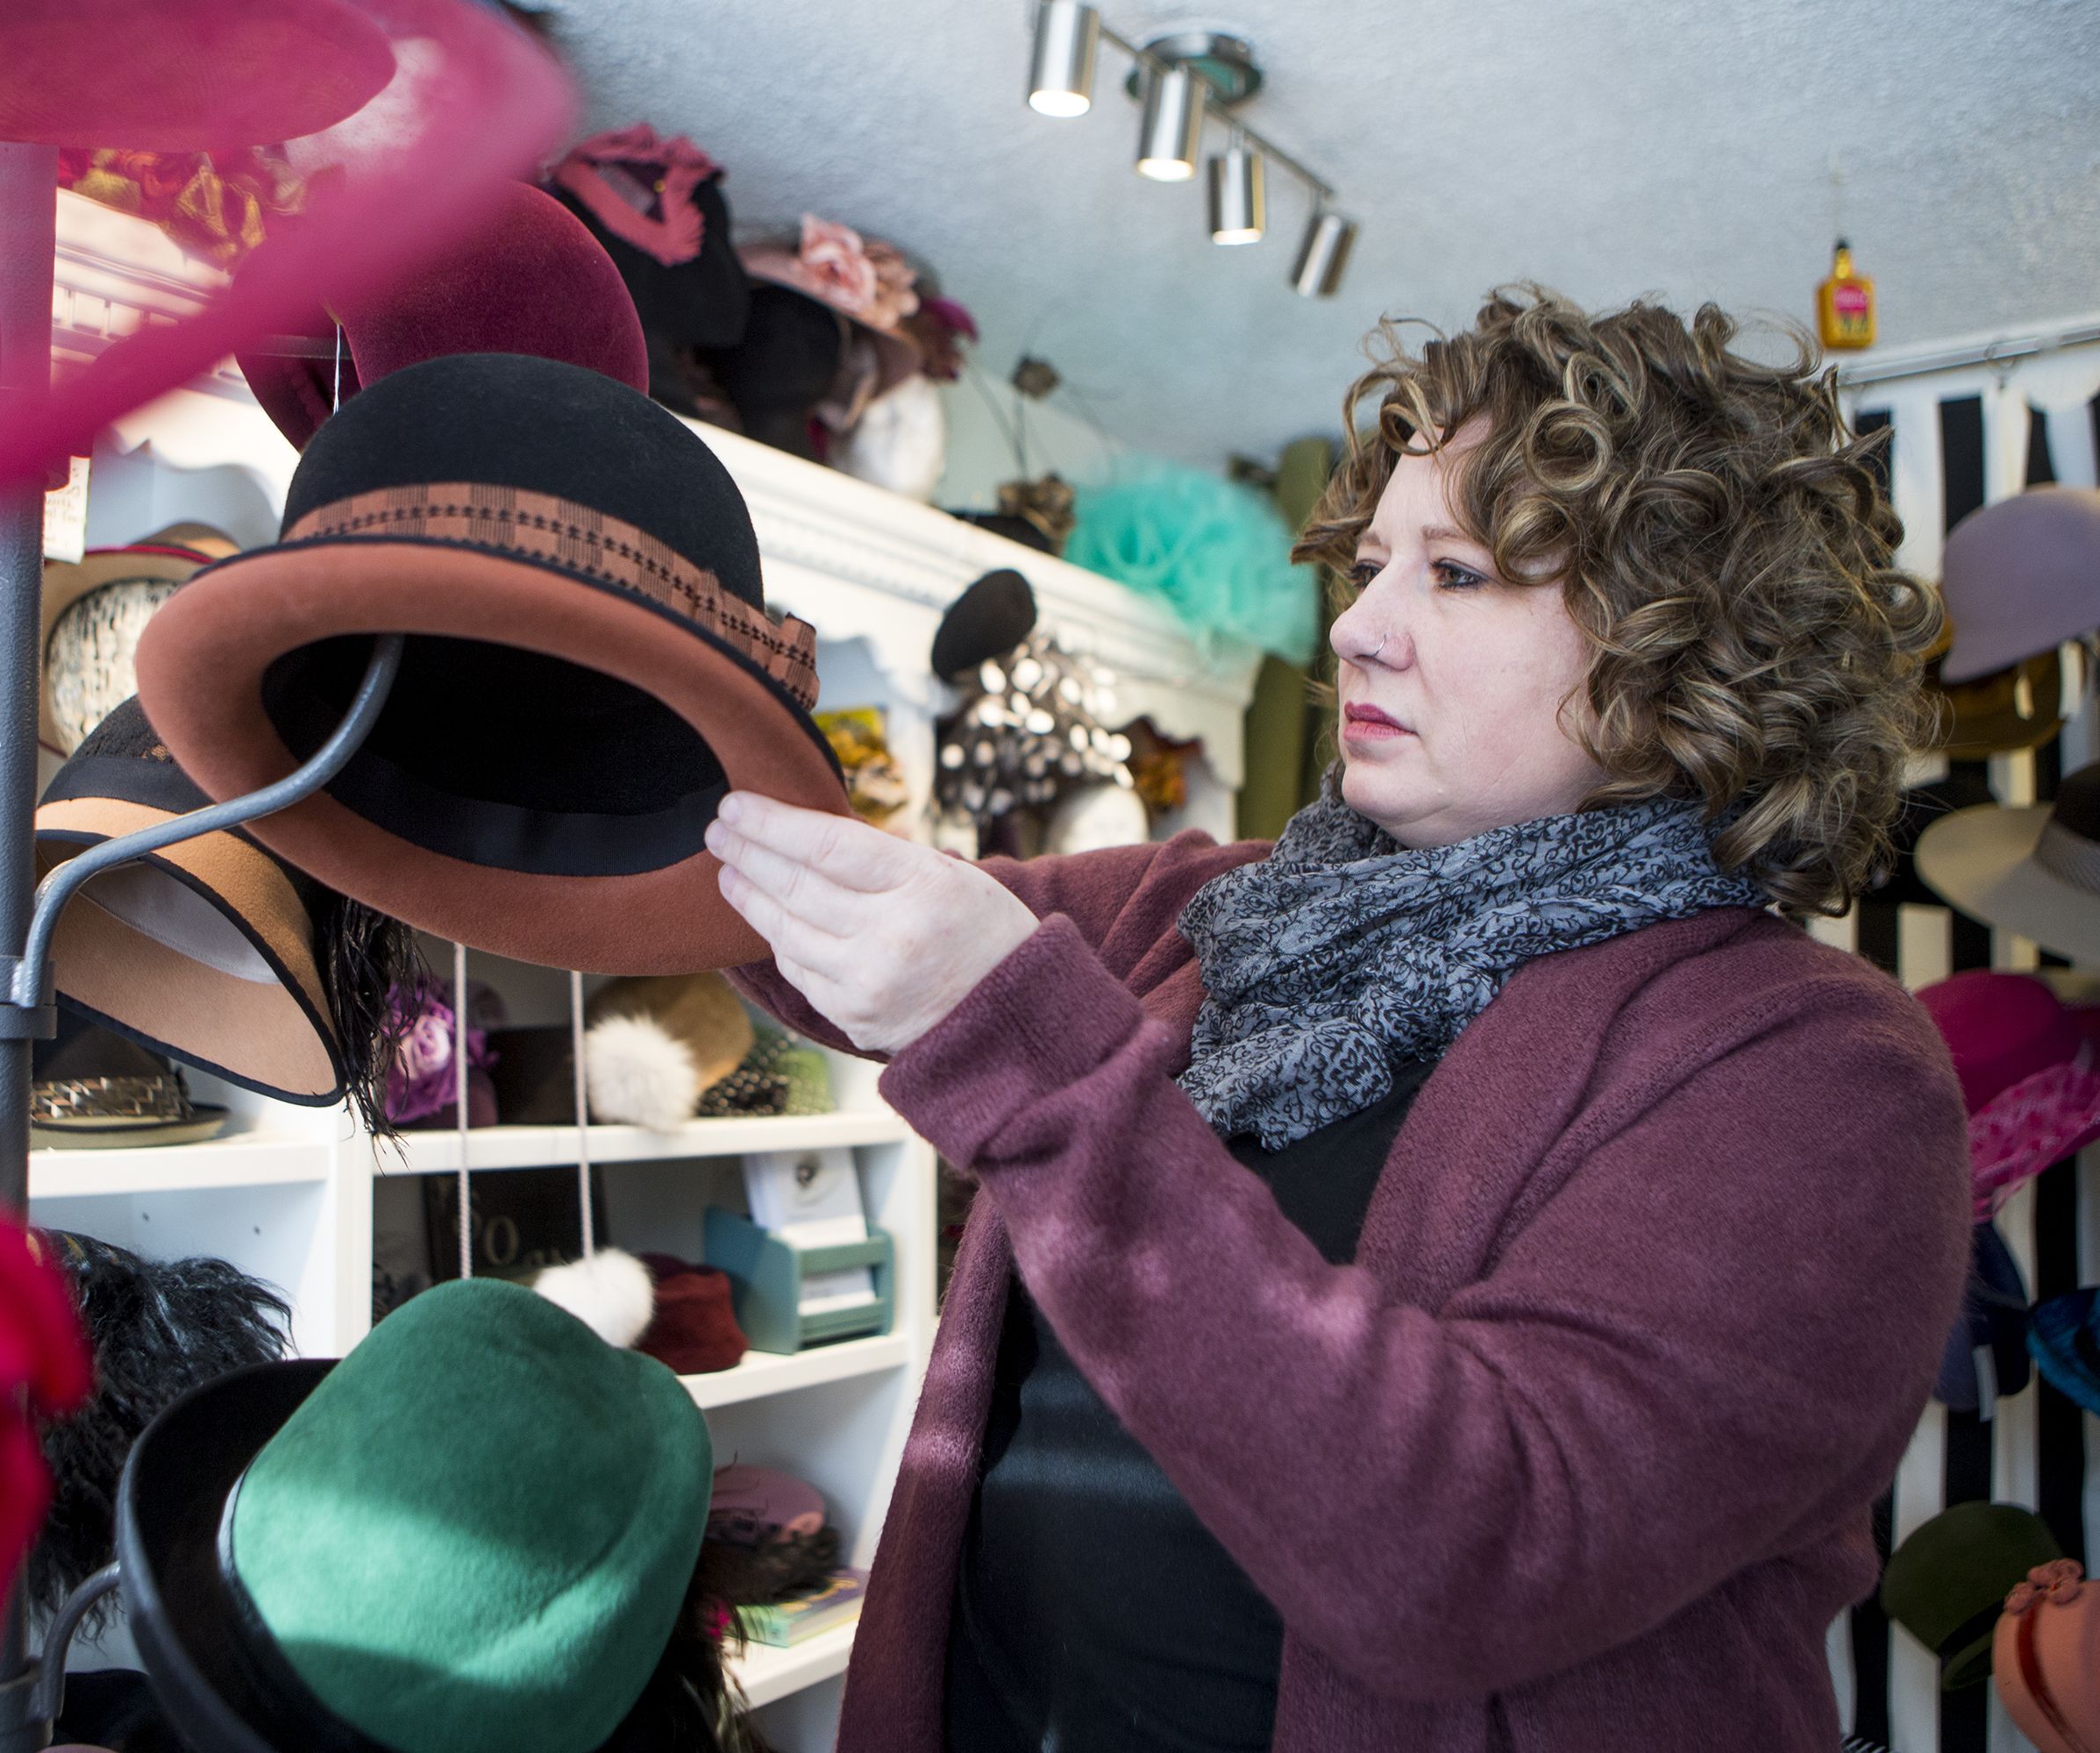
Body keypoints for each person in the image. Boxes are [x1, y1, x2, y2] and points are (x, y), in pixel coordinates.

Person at [704, 286, 1969, 1752]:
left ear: (1682, 646)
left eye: (1462, 572)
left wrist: (1032, 1062)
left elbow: (1473, 1549)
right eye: (1370, 564)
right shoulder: (1224, 905)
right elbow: (818, 916)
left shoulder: (1812, 1069)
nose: (1358, 627)